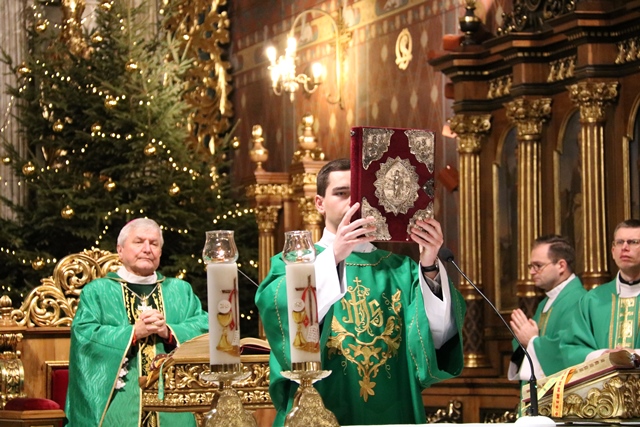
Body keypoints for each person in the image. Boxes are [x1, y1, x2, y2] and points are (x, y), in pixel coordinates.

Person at [255, 158, 466, 426]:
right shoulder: (294, 264)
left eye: (361, 195)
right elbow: (282, 319)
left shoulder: (402, 271)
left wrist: (429, 265)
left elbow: (435, 339)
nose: (354, 204)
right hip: (319, 409)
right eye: (342, 193)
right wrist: (334, 256)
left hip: (392, 412)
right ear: (319, 203)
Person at [65, 218, 208, 427]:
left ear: (160, 252)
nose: (147, 249)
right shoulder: (98, 291)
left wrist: (168, 331)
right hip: (117, 403)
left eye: (154, 244)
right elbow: (84, 335)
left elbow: (205, 328)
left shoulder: (180, 291)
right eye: (139, 242)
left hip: (174, 401)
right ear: (120, 250)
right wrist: (132, 333)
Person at [561, 219, 640, 366]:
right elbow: (571, 348)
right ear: (613, 251)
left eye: (633, 242)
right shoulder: (592, 300)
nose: (624, 247)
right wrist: (602, 356)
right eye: (619, 242)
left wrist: (636, 354)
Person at [508, 235, 586, 382]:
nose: (532, 272)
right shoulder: (545, 303)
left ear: (561, 266)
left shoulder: (579, 300)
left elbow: (569, 352)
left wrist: (532, 341)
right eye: (531, 266)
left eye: (538, 266)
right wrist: (524, 338)